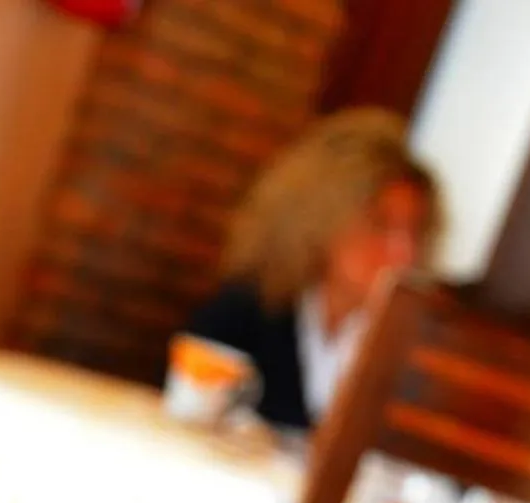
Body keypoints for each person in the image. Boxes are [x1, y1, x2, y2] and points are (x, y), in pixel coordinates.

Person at [181, 109, 443, 432]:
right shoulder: (241, 316)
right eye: (380, 225)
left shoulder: (415, 357)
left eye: (414, 231)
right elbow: (187, 429)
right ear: (321, 222)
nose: (404, 252)